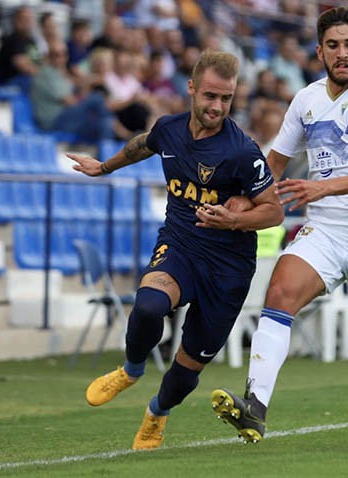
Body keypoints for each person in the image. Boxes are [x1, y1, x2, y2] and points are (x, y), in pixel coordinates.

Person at [208, 6, 348, 444]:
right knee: (280, 292)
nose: (341, 54)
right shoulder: (305, 101)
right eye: (332, 46)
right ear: (319, 51)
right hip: (326, 229)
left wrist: (323, 188)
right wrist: (244, 197)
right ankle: (255, 407)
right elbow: (274, 162)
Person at [67, 50, 284, 450]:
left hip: (229, 269)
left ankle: (156, 413)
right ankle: (131, 370)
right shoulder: (169, 129)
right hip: (181, 244)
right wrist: (105, 167)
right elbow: (143, 145)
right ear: (191, 89)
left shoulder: (242, 151)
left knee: (187, 367)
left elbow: (274, 212)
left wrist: (233, 219)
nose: (217, 106)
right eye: (210, 96)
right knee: (149, 305)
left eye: (226, 99)